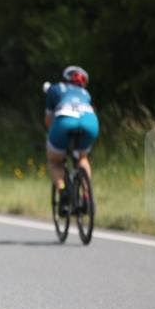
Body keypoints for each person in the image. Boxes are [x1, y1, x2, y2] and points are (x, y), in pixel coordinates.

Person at [43, 66, 99, 216]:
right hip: (90, 121)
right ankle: (87, 195)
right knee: (82, 157)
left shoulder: (55, 89)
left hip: (64, 120)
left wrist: (53, 138)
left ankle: (63, 192)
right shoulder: (85, 93)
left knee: (55, 161)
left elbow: (49, 120)